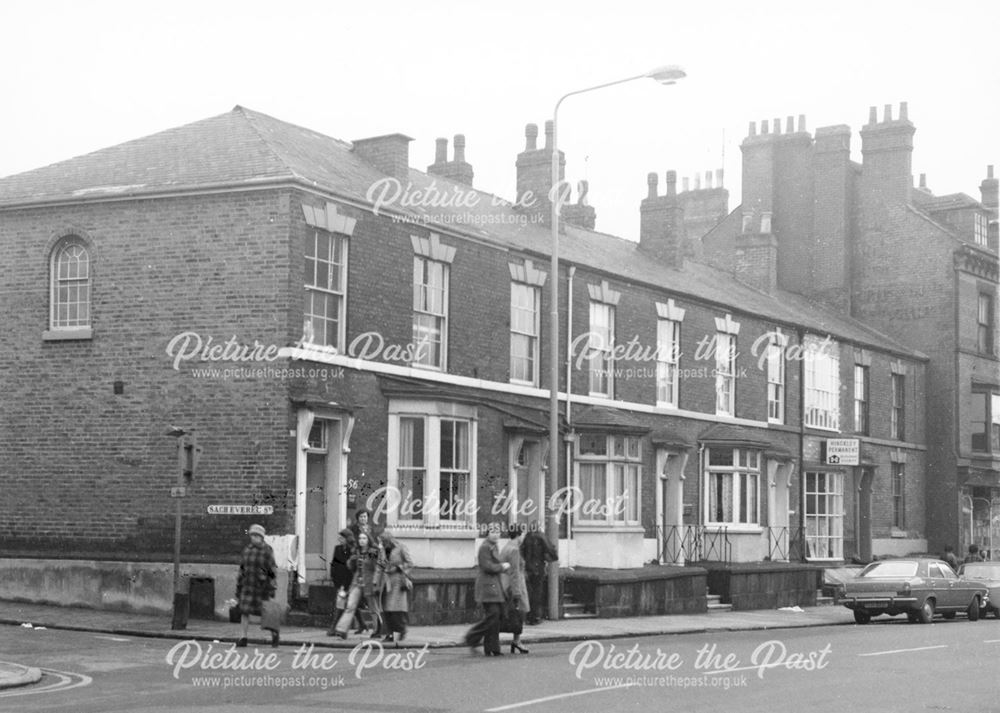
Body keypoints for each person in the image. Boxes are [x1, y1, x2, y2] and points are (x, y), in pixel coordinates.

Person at [464, 522, 510, 657]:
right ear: (488, 533)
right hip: (487, 587)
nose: (496, 535)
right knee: (493, 616)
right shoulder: (485, 547)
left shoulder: (493, 546)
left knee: (495, 618)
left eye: (498, 532)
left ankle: (492, 648)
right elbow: (486, 566)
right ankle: (472, 637)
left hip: (494, 587)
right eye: (493, 532)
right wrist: (502, 567)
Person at [330, 531, 385, 639]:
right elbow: (352, 567)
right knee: (350, 605)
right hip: (357, 582)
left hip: (369, 582)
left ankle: (377, 629)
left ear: (368, 540)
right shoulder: (357, 552)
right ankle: (342, 630)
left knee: (373, 607)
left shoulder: (372, 552)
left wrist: (376, 582)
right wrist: (351, 561)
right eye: (360, 538)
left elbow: (377, 568)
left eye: (364, 538)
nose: (361, 540)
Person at [235, 523, 277, 648]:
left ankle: (274, 634)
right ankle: (243, 637)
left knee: (266, 613)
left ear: (261, 537)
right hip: (248, 585)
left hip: (261, 586)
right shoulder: (247, 550)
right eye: (252, 535)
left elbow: (272, 569)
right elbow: (242, 569)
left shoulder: (267, 551)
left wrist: (272, 585)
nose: (253, 538)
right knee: (244, 612)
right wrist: (239, 585)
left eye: (256, 536)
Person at [500, 523, 530, 654]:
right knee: (520, 613)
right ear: (518, 535)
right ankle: (517, 641)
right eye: (522, 534)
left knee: (512, 614)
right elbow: (515, 572)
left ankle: (515, 641)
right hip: (516, 585)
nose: (523, 537)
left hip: (505, 583)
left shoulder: (506, 547)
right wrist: (517, 593)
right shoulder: (515, 550)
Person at [521, 522, 558, 625]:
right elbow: (551, 551)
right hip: (538, 567)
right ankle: (536, 616)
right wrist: (549, 558)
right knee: (537, 592)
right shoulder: (541, 536)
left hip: (529, 567)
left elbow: (522, 551)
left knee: (530, 592)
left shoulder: (527, 537)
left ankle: (529, 616)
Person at [381, 531, 414, 646]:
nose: (384, 544)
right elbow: (381, 563)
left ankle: (401, 629)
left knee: (395, 609)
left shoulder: (401, 548)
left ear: (390, 540)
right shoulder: (383, 550)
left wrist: (399, 568)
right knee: (386, 609)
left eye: (385, 542)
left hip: (398, 582)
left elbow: (410, 563)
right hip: (386, 581)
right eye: (382, 542)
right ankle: (389, 634)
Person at [327, 528, 355, 636]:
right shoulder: (337, 548)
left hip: (349, 580)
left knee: (344, 603)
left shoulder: (352, 550)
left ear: (347, 539)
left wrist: (346, 584)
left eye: (342, 537)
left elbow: (351, 568)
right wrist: (334, 579)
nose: (340, 539)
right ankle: (362, 624)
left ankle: (334, 627)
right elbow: (334, 564)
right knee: (343, 603)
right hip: (340, 580)